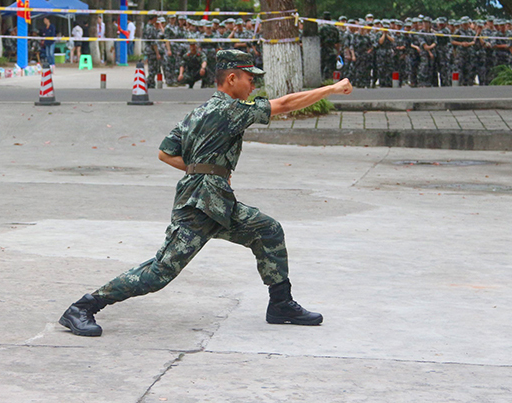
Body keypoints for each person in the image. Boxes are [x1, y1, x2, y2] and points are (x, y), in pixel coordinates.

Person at [59, 49, 354, 337]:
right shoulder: (229, 109)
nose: (254, 84)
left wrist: (201, 168)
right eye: (250, 78)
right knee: (160, 272)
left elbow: (165, 152)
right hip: (200, 205)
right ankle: (84, 307)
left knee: (267, 230)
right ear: (232, 79)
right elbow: (286, 105)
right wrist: (332, 88)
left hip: (217, 200)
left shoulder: (198, 113)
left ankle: (281, 304)